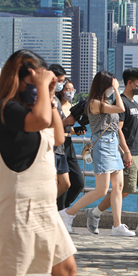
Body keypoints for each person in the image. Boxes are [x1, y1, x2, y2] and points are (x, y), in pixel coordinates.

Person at [0, 49, 77, 276]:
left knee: (66, 270)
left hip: (44, 205)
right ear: (18, 79)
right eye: (33, 82)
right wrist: (44, 86)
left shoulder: (34, 109)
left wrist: (49, 92)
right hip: (20, 206)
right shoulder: (5, 109)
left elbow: (58, 136)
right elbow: (41, 119)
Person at [59, 71, 134, 237]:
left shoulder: (105, 102)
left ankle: (117, 225)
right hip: (102, 146)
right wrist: (116, 90)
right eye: (111, 84)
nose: (114, 87)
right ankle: (67, 213)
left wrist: (123, 149)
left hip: (113, 144)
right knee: (101, 190)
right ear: (104, 85)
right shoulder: (94, 103)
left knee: (119, 186)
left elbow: (115, 126)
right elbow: (121, 108)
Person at [87, 68, 138, 236]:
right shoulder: (121, 102)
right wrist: (125, 151)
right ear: (129, 82)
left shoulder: (135, 103)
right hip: (129, 151)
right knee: (124, 190)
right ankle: (96, 212)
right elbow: (118, 129)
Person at [56, 78, 86, 211]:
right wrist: (67, 122)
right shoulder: (56, 105)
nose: (70, 92)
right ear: (61, 90)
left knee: (78, 182)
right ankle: (60, 211)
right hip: (57, 144)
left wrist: (77, 130)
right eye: (67, 89)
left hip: (69, 145)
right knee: (62, 182)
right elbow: (55, 126)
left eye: (72, 89)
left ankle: (64, 208)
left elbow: (68, 128)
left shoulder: (71, 106)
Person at [49, 64, 71, 200]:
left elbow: (62, 122)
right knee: (49, 183)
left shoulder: (56, 99)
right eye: (61, 81)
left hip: (60, 149)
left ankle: (47, 205)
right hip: (49, 148)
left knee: (65, 183)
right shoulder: (42, 98)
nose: (62, 84)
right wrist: (66, 122)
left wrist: (71, 121)